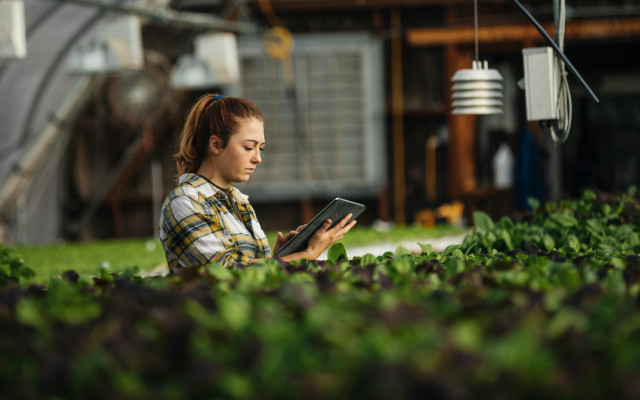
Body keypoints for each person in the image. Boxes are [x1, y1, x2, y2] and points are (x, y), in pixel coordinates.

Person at [159, 94, 357, 272]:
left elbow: (254, 275)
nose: (257, 158)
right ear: (216, 145)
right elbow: (225, 273)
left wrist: (281, 257)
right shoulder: (184, 202)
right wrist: (307, 255)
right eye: (248, 147)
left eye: (260, 148)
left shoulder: (238, 200)